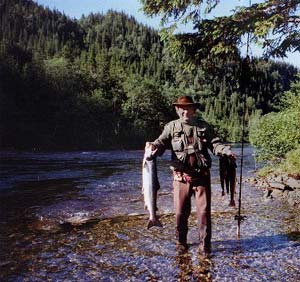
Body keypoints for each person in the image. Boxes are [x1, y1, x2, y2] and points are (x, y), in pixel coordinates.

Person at [150, 95, 235, 254]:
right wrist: (153, 146)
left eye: (188, 108)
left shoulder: (204, 126)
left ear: (194, 109)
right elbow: (160, 143)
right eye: (181, 108)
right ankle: (181, 242)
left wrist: (225, 151)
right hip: (181, 178)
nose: (185, 111)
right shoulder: (171, 127)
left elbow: (215, 144)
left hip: (202, 176)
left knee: (203, 213)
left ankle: (205, 246)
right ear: (177, 110)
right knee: (181, 212)